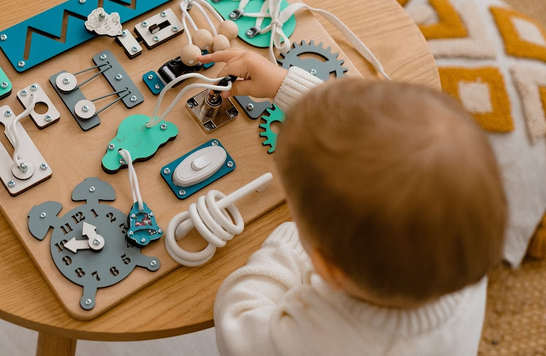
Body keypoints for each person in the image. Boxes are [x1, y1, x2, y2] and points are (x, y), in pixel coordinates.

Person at [199, 49, 507, 356]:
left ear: (325, 267)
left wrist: (289, 243)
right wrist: (286, 86)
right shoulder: (457, 255)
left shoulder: (309, 341)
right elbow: (384, 140)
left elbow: (236, 321)